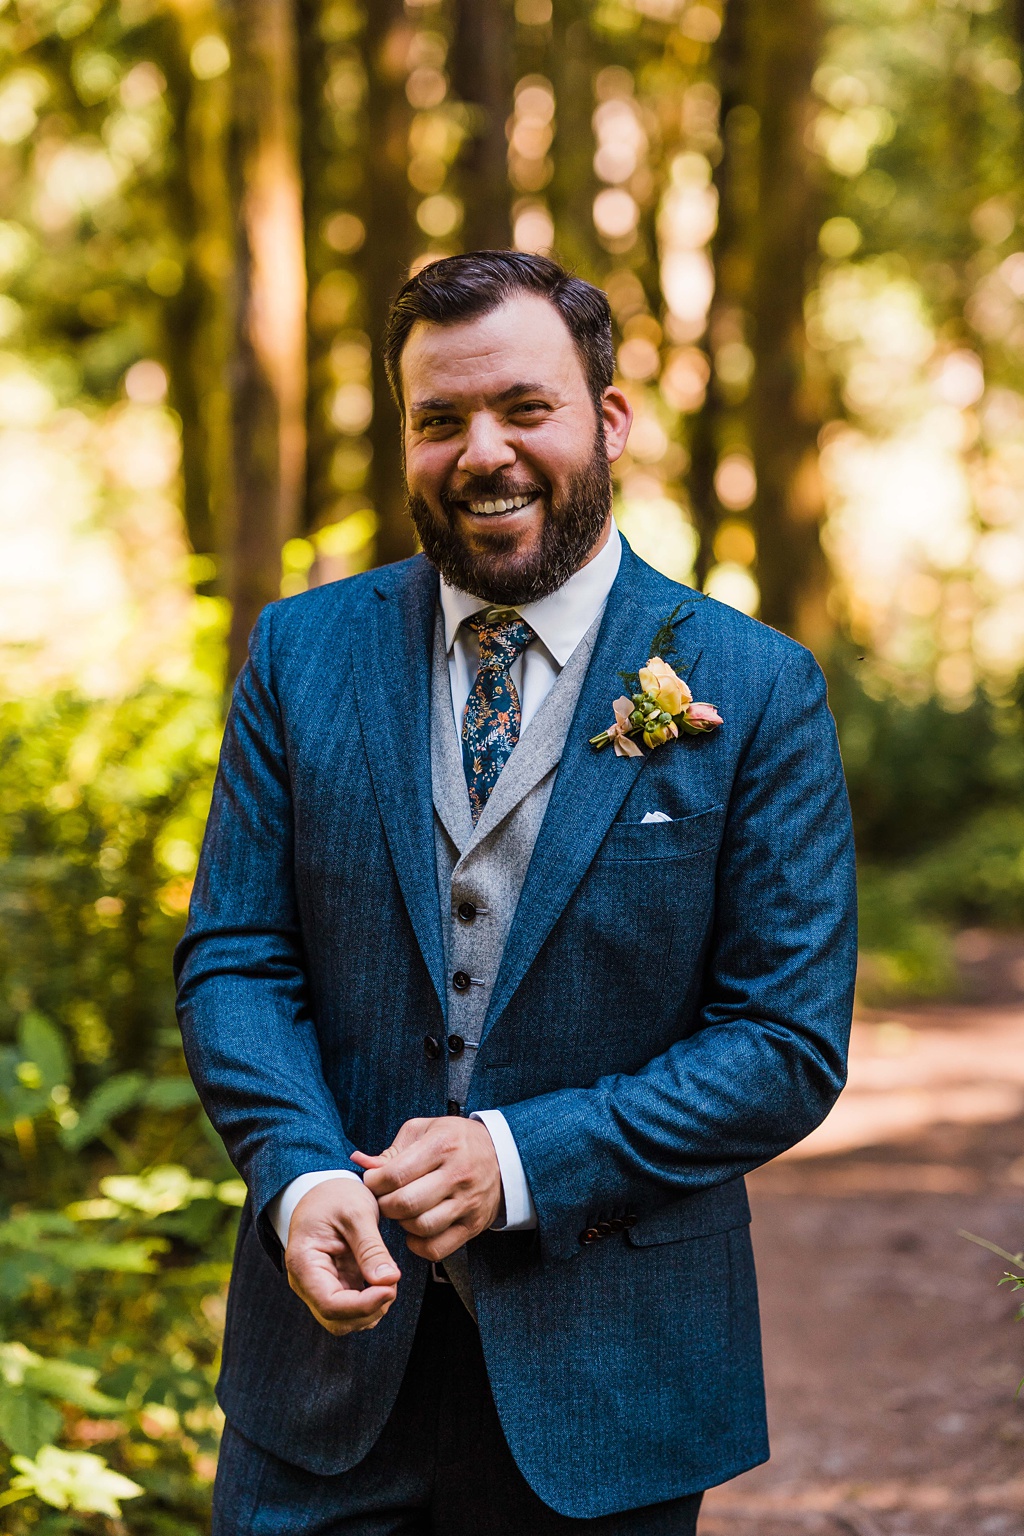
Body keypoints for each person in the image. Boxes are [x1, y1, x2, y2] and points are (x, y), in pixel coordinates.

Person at [175, 250, 857, 1535]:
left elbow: (783, 1043)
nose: (481, 452)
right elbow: (236, 961)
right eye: (438, 421)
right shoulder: (300, 652)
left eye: (522, 408)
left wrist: (516, 1157)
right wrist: (304, 1176)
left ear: (605, 419)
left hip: (614, 1378)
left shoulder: (757, 689)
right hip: (319, 1374)